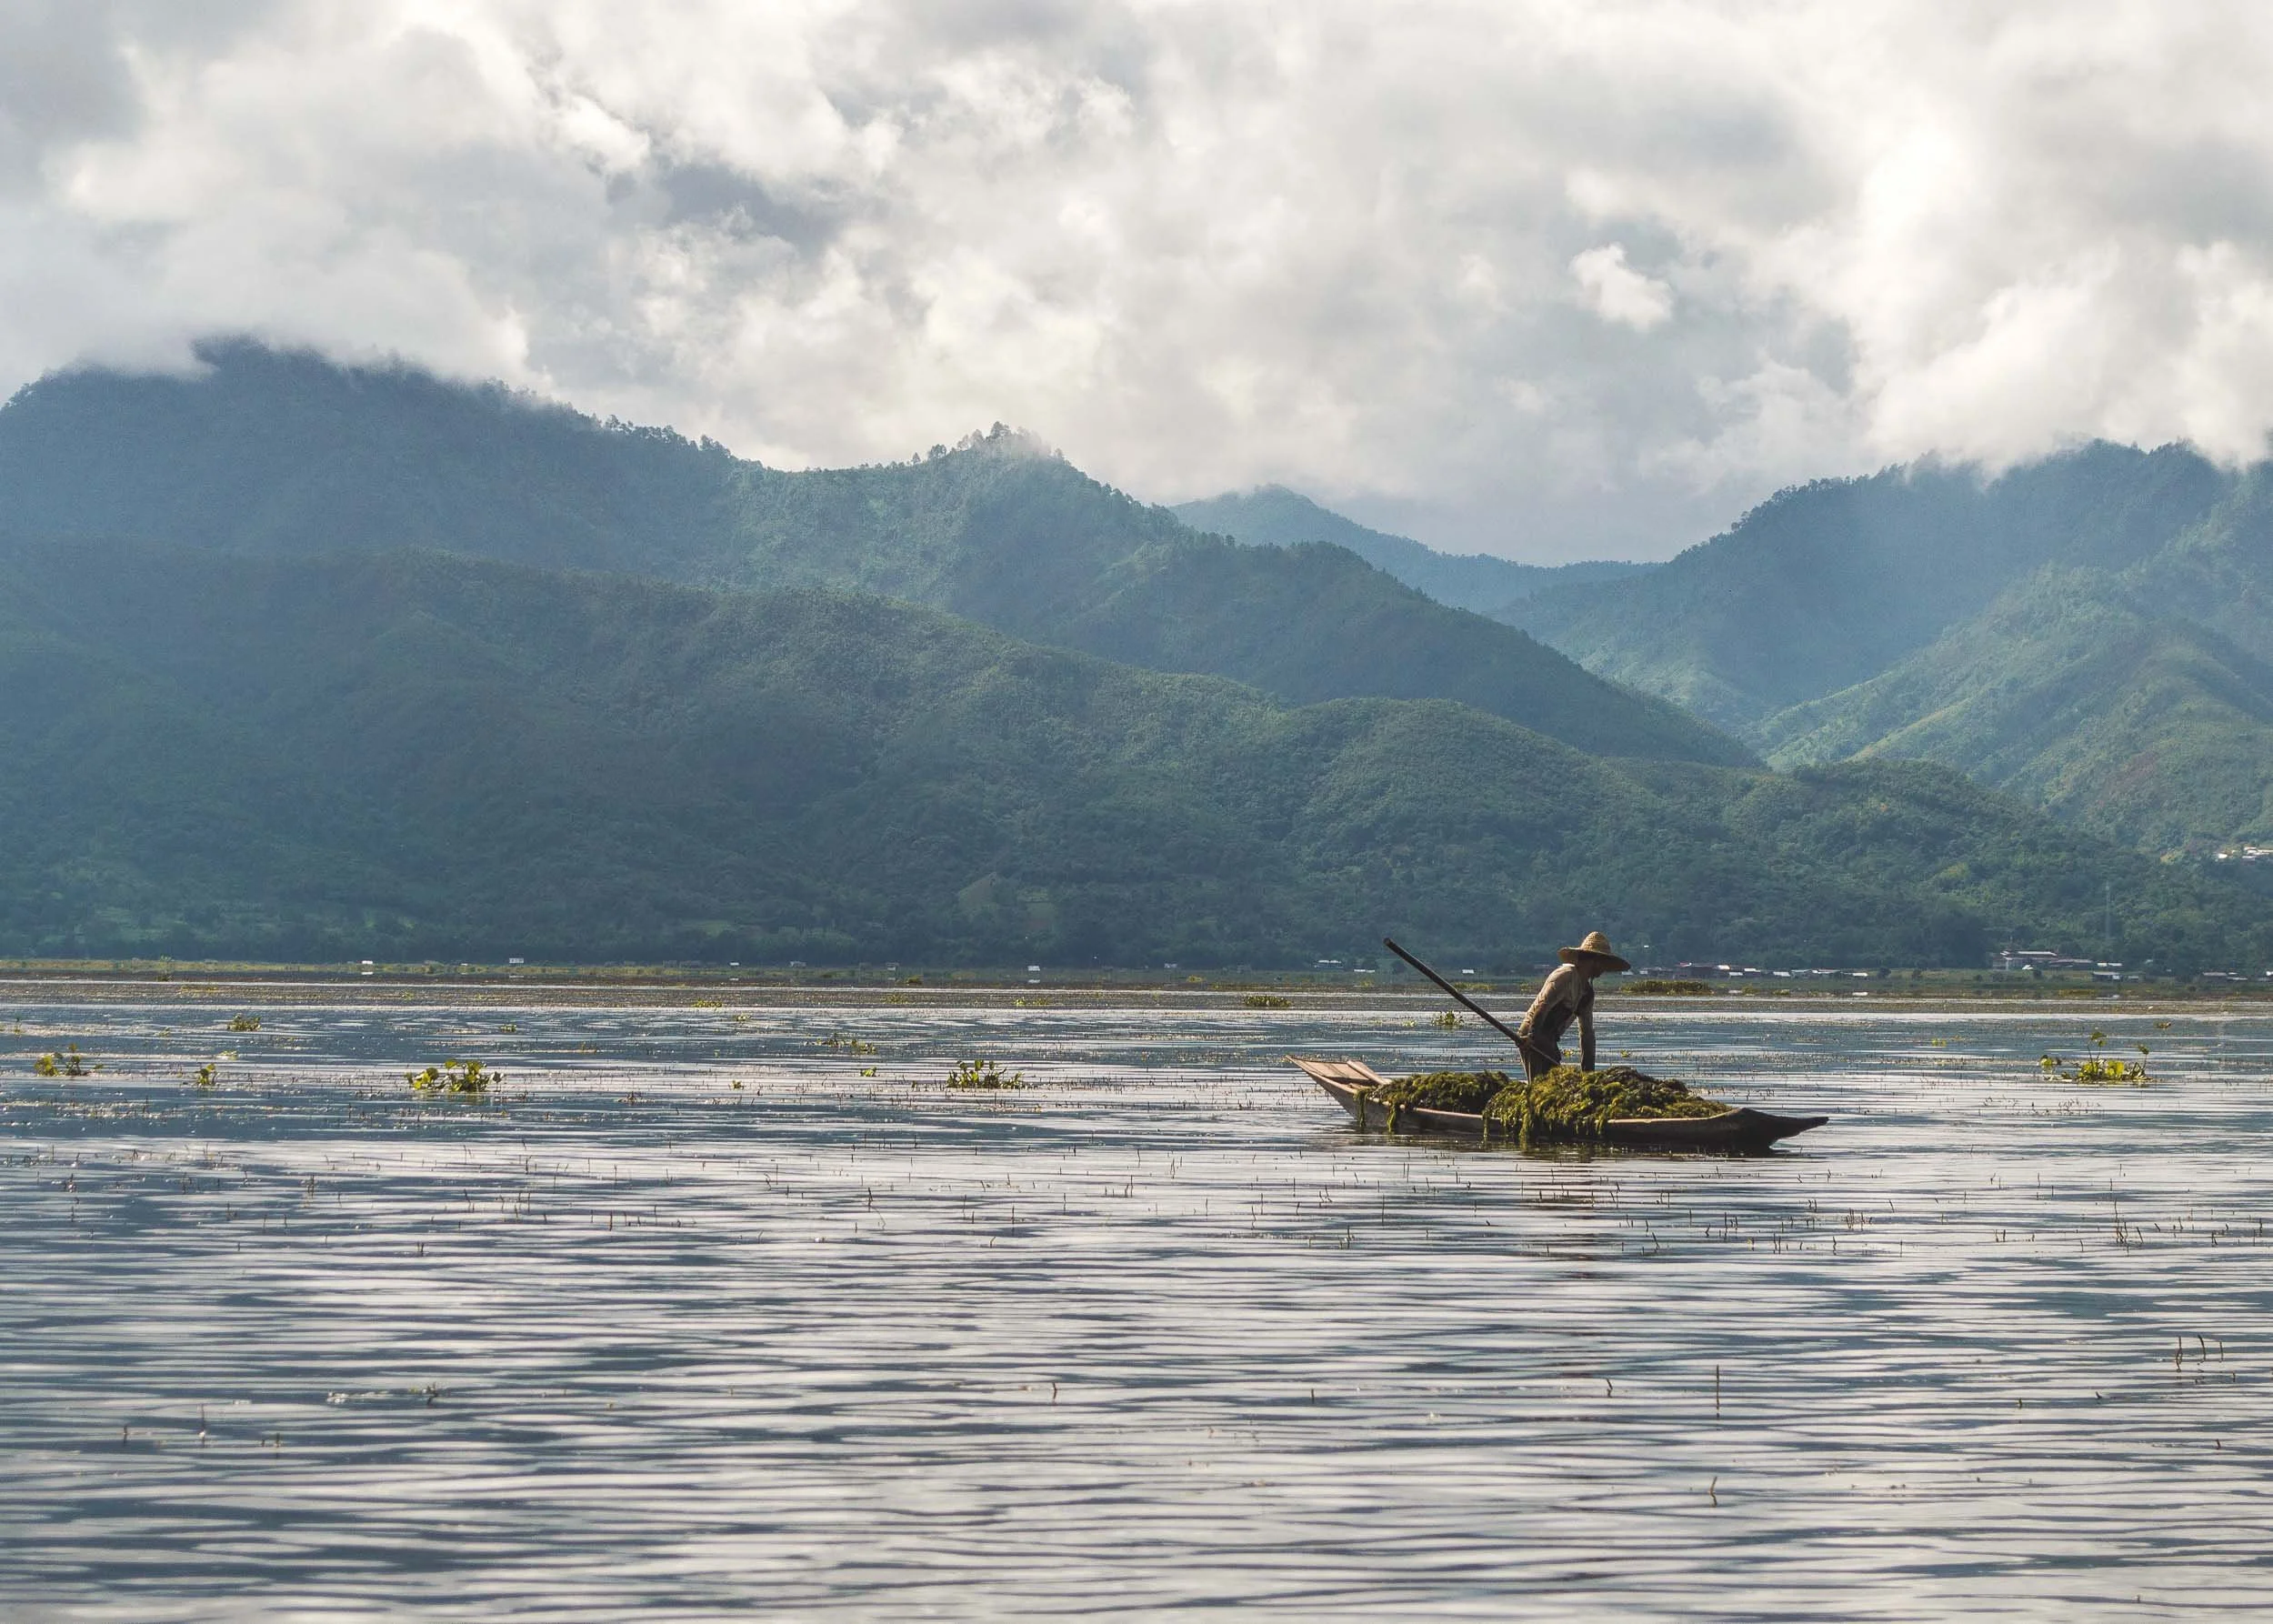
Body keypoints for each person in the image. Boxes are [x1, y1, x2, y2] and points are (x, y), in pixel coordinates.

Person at [1514, 930, 1631, 1079]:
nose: (1604, 968)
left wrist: (1588, 1076)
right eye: (1603, 963)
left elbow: (1586, 1034)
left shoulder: (1587, 994)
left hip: (1550, 1039)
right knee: (1539, 1084)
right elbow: (1543, 1007)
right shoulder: (1565, 976)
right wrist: (1532, 1038)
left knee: (1553, 1083)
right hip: (1532, 1033)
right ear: (1594, 960)